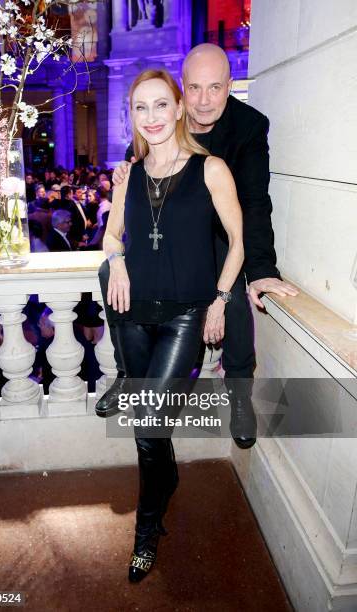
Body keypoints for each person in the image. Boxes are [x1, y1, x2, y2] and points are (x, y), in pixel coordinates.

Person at [97, 43, 298, 448]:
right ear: (181, 94)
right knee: (112, 273)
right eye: (194, 89)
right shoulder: (166, 115)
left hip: (222, 233)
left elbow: (256, 203)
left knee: (236, 295)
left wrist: (261, 271)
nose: (204, 101)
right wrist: (124, 171)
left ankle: (239, 393)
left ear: (229, 87)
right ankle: (125, 372)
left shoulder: (249, 127)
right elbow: (142, 157)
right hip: (173, 230)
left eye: (215, 88)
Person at [102, 68, 244, 582]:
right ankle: (169, 473)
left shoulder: (212, 170)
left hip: (186, 317)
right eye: (141, 107)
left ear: (180, 108)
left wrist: (221, 300)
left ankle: (145, 532)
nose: (152, 117)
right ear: (132, 116)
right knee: (153, 425)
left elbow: (237, 241)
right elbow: (112, 236)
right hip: (135, 315)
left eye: (161, 105)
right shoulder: (131, 174)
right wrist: (116, 260)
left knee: (144, 424)